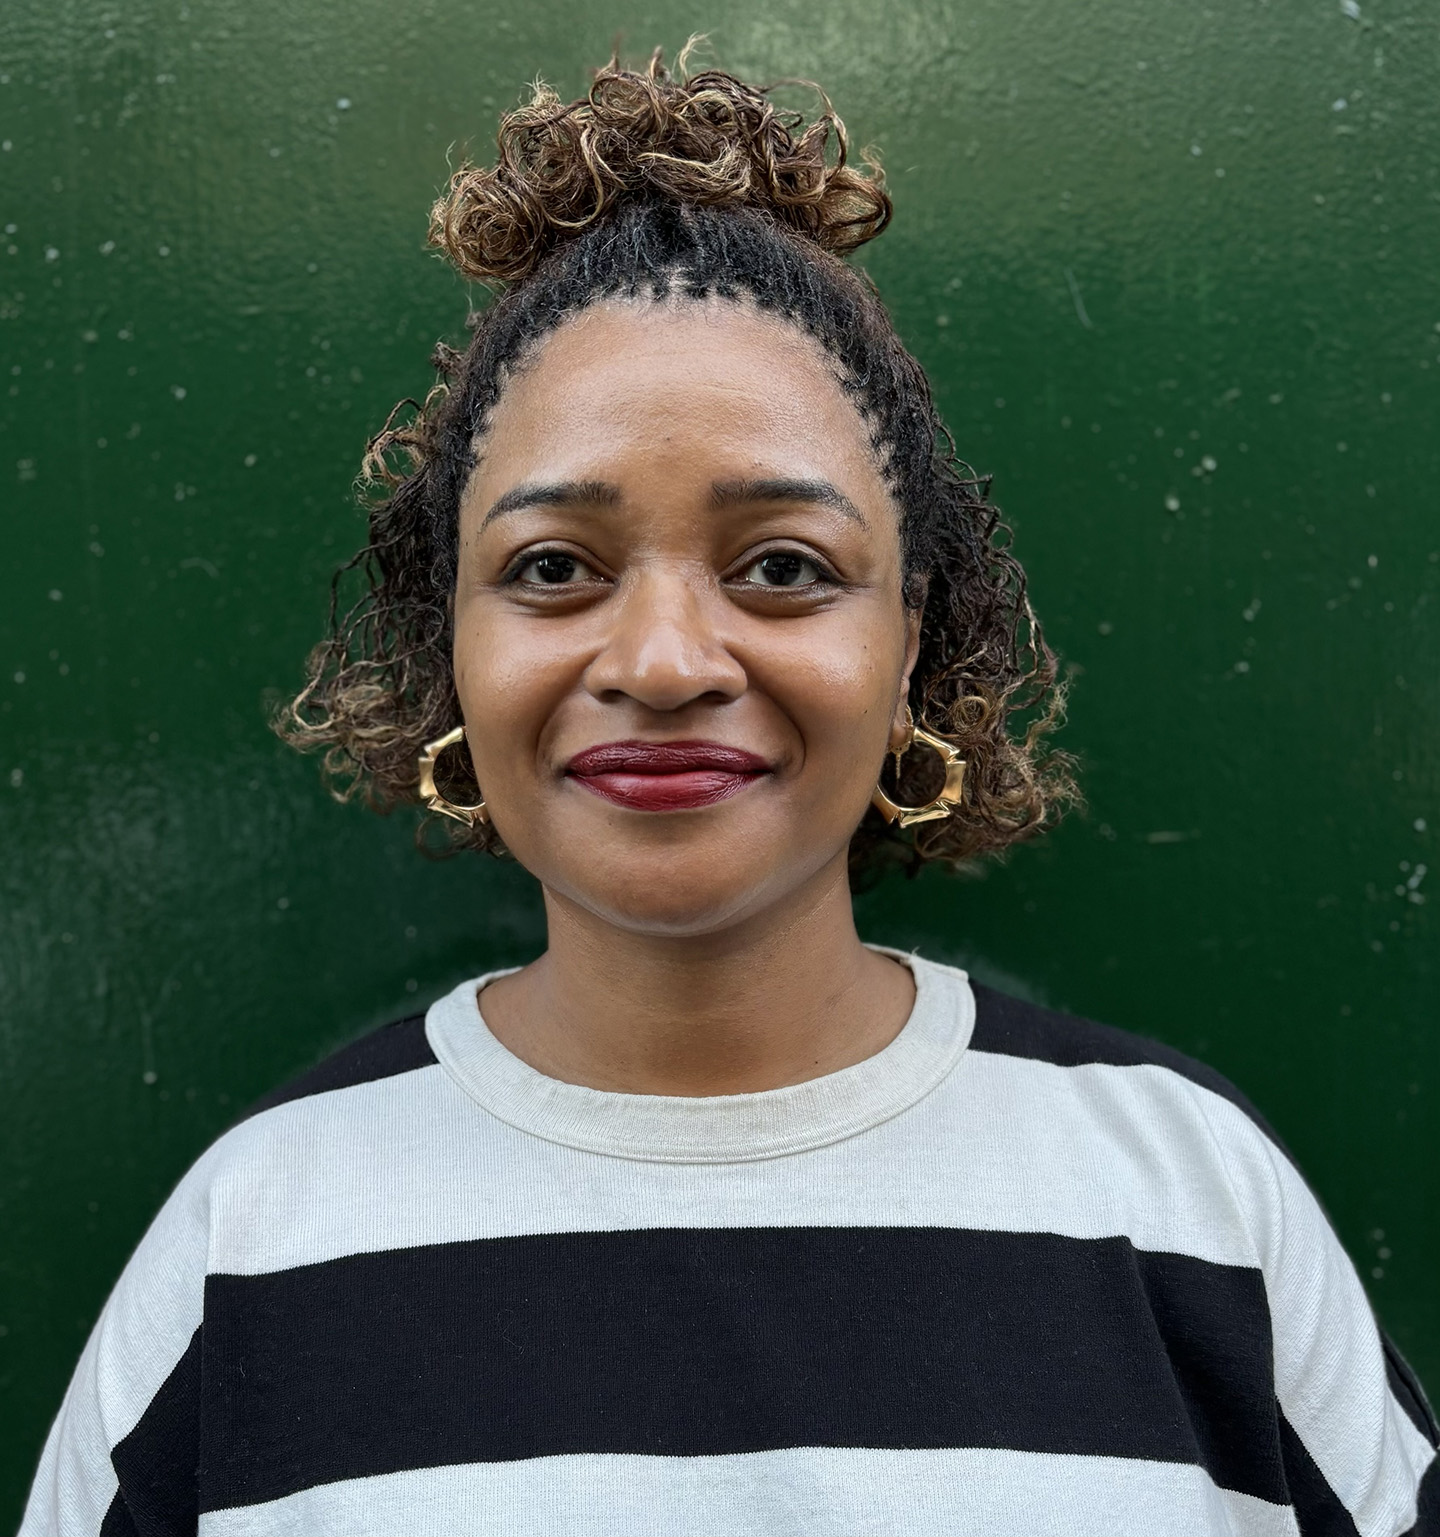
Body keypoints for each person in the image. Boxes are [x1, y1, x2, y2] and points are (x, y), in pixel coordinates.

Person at [22, 47, 1437, 1537]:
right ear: (452, 642)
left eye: (783, 567)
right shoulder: (251, 1241)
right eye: (553, 568)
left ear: (913, 647)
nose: (664, 657)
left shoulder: (1190, 1202)